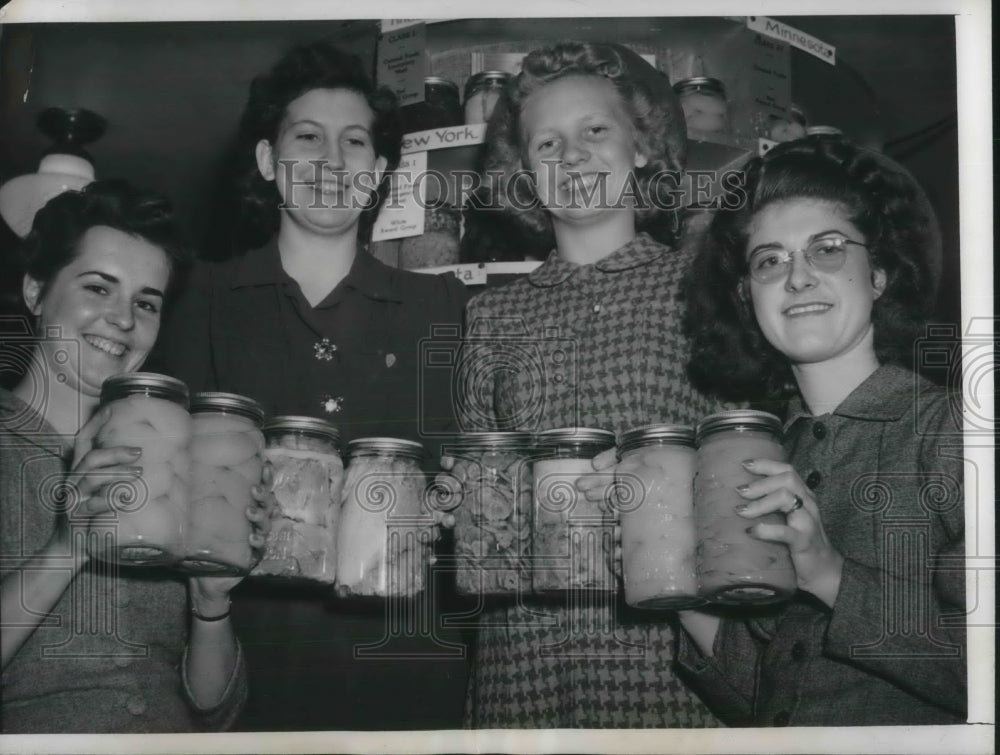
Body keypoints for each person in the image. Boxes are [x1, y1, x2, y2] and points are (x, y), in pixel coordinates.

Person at [160, 41, 470, 730]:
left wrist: (455, 500)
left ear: (380, 170)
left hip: (413, 669)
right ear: (269, 162)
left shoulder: (440, 306)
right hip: (247, 674)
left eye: (354, 141)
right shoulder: (201, 297)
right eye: (308, 136)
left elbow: (462, 477)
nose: (332, 159)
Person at [446, 41, 728, 728]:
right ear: (525, 173)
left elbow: (742, 472)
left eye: (594, 131)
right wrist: (460, 504)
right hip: (524, 660)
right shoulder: (491, 314)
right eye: (547, 143)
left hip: (668, 659)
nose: (571, 156)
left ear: (641, 146)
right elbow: (485, 504)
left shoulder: (703, 290)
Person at [679, 134, 966, 725]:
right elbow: (769, 701)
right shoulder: (765, 455)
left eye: (828, 249)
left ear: (880, 274)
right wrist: (664, 568)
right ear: (746, 297)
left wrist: (828, 574)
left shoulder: (953, 430)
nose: (798, 277)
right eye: (770, 260)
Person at [1, 179, 250, 732]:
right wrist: (67, 549)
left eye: (146, 302)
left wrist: (212, 603)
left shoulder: (179, 457)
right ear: (36, 291)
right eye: (98, 288)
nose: (124, 319)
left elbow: (216, 713)